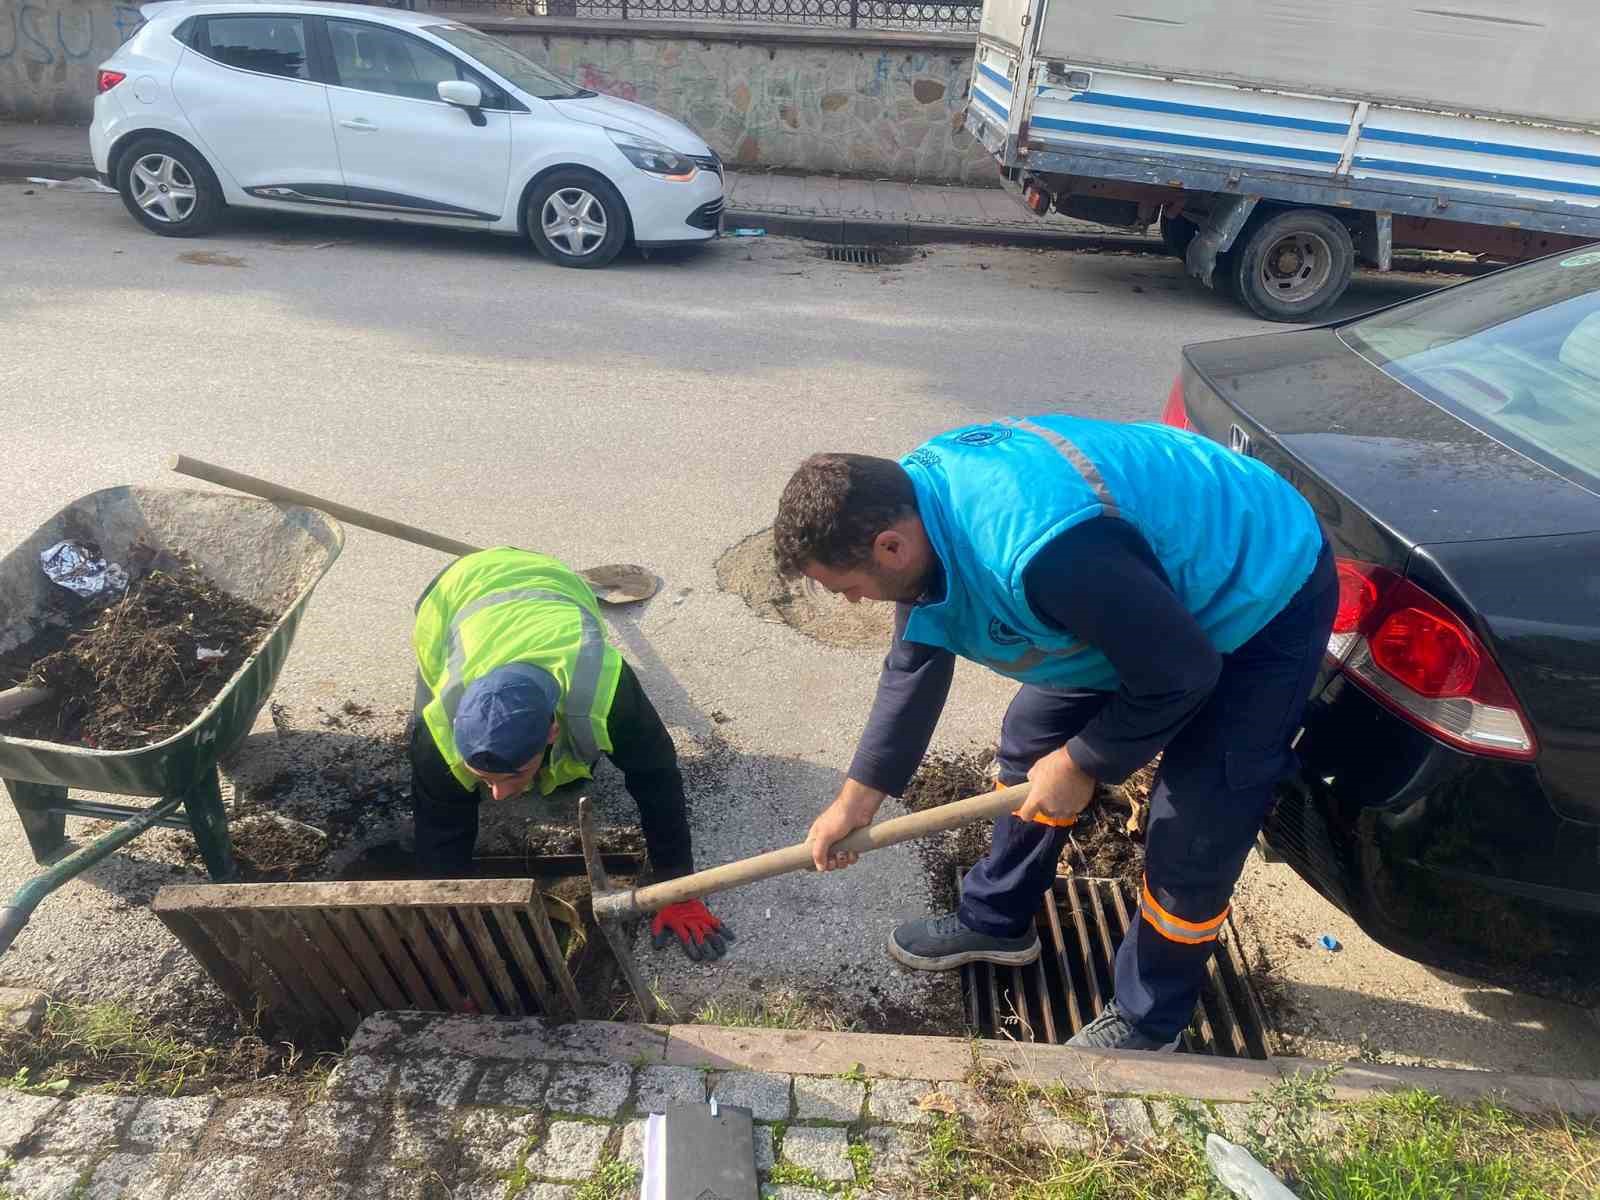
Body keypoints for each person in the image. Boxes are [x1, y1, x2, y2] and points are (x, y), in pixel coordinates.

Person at [772, 414, 1336, 1050]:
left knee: (1195, 822)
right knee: (1033, 741)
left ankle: (1150, 1023)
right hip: (1135, 593)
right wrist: (855, 803)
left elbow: (1182, 671)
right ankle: (997, 920)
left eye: (847, 588)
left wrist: (1085, 761)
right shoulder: (910, 506)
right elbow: (913, 665)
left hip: (1259, 586)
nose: (851, 602)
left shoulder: (1041, 551)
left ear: (890, 548)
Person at [409, 547, 732, 962]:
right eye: (485, 779)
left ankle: (543, 769)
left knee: (584, 762)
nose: (498, 797)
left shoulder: (606, 691)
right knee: (436, 776)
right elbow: (440, 834)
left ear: (552, 731)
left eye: (511, 776)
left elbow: (657, 778)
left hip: (552, 580)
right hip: (450, 596)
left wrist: (677, 888)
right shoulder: (437, 734)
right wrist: (456, 934)